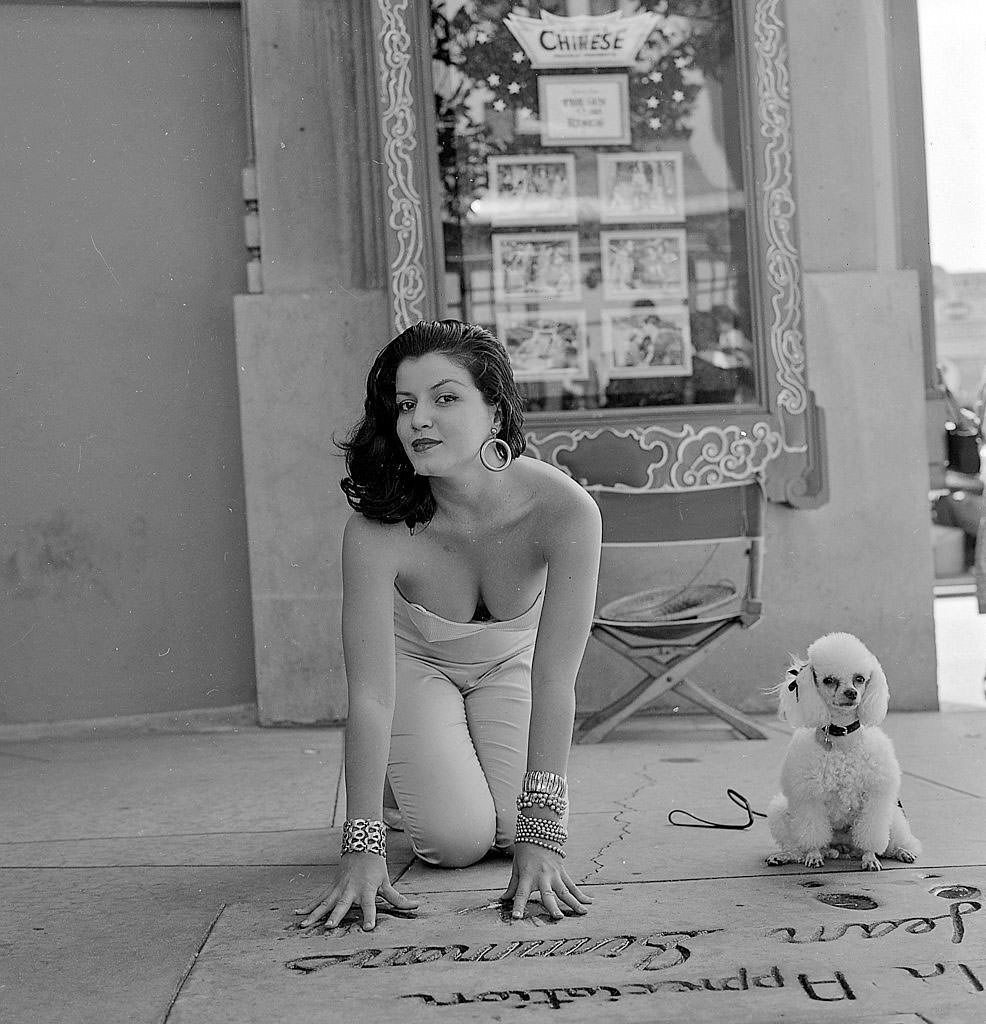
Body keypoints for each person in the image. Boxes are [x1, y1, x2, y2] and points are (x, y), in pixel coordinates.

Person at [296, 319, 602, 932]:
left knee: (520, 831)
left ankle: (437, 771)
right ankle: (397, 784)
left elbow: (555, 679)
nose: (419, 421)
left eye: (445, 398)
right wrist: (363, 847)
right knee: (455, 843)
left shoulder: (565, 510)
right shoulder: (375, 529)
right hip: (415, 669)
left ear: (496, 412)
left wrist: (545, 835)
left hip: (512, 665)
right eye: (405, 405)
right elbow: (372, 693)